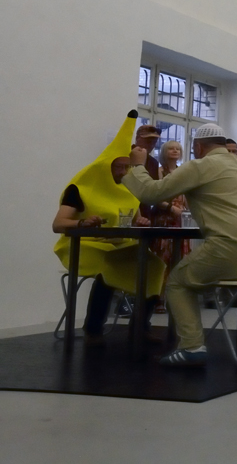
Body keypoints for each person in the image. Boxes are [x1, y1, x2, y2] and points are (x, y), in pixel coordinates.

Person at [123, 122, 237, 367]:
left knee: (178, 282)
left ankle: (192, 347)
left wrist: (137, 165)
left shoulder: (199, 166)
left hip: (234, 247)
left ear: (198, 147)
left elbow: (151, 193)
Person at [51, 111, 164, 347]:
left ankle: (140, 325)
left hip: (120, 244)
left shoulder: (128, 190)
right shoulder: (80, 189)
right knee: (109, 266)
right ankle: (93, 328)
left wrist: (141, 222)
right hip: (83, 245)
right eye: (118, 167)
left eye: (126, 167)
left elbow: (136, 219)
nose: (123, 173)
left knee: (155, 265)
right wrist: (82, 223)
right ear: (105, 166)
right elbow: (58, 224)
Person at [152, 139, 188, 313]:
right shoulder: (160, 171)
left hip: (181, 220)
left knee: (180, 259)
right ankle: (158, 298)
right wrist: (170, 208)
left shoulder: (183, 172)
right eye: (171, 148)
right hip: (164, 217)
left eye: (177, 149)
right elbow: (155, 196)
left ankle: (176, 299)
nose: (175, 151)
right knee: (162, 259)